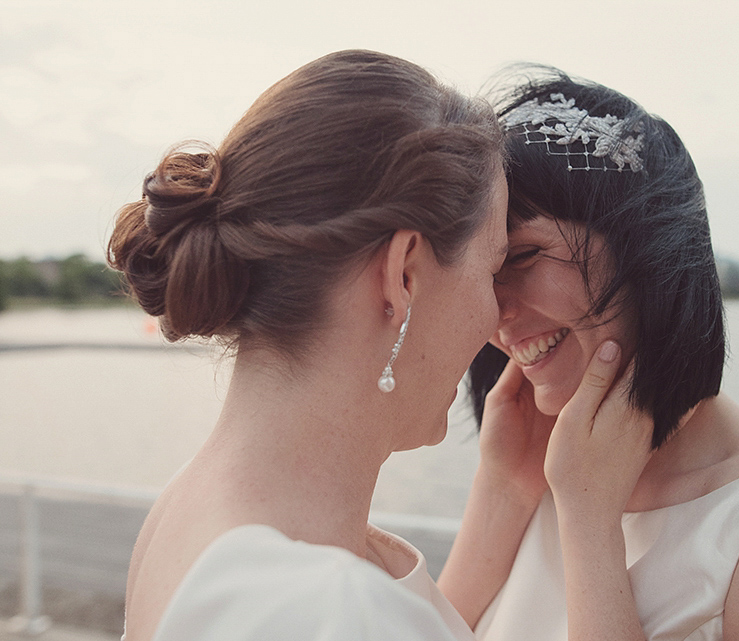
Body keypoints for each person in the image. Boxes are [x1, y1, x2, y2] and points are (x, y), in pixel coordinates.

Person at [438, 69, 739, 641]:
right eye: (484, 270)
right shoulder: (541, 472)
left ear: (643, 251)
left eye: (524, 256)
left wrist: (590, 526)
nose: (493, 311)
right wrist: (503, 488)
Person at [108, 50, 509, 641]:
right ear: (404, 274)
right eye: (495, 271)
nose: (500, 319)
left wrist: (508, 489)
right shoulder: (330, 608)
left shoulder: (189, 516)